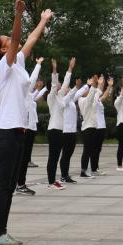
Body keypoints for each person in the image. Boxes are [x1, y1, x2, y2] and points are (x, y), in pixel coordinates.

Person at [0, 0, 52, 245]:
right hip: (5, 132)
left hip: (17, 132)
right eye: (7, 41)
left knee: (9, 185)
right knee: (3, 185)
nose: (12, 41)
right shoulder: (1, 67)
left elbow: (30, 39)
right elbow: (17, 39)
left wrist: (43, 21)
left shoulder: (19, 65)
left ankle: (1, 230)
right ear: (4, 49)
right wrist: (18, 14)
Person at [14, 57, 43, 195]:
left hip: (30, 128)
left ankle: (20, 184)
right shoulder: (22, 91)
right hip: (25, 128)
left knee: (25, 159)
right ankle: (19, 184)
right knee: (22, 158)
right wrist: (38, 65)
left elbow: (35, 90)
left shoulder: (28, 94)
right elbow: (32, 79)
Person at [45, 58, 74, 190]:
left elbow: (66, 82)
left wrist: (70, 68)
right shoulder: (51, 97)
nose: (60, 85)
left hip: (59, 130)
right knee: (53, 157)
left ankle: (53, 180)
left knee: (56, 157)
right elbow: (54, 84)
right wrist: (54, 69)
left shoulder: (60, 96)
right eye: (58, 84)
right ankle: (51, 182)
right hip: (53, 130)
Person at [79, 76, 112, 178]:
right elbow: (92, 96)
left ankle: (92, 169)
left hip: (92, 127)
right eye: (86, 90)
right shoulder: (82, 100)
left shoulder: (91, 99)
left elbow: (98, 93)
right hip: (87, 127)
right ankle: (83, 171)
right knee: (87, 150)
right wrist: (93, 85)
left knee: (91, 150)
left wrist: (101, 84)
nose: (88, 91)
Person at [59, 75, 87, 184]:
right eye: (67, 88)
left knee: (69, 154)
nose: (69, 89)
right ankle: (63, 175)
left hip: (72, 131)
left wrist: (87, 85)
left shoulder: (71, 100)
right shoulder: (63, 100)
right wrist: (75, 87)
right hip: (65, 131)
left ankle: (66, 174)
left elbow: (78, 94)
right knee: (65, 154)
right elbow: (72, 94)